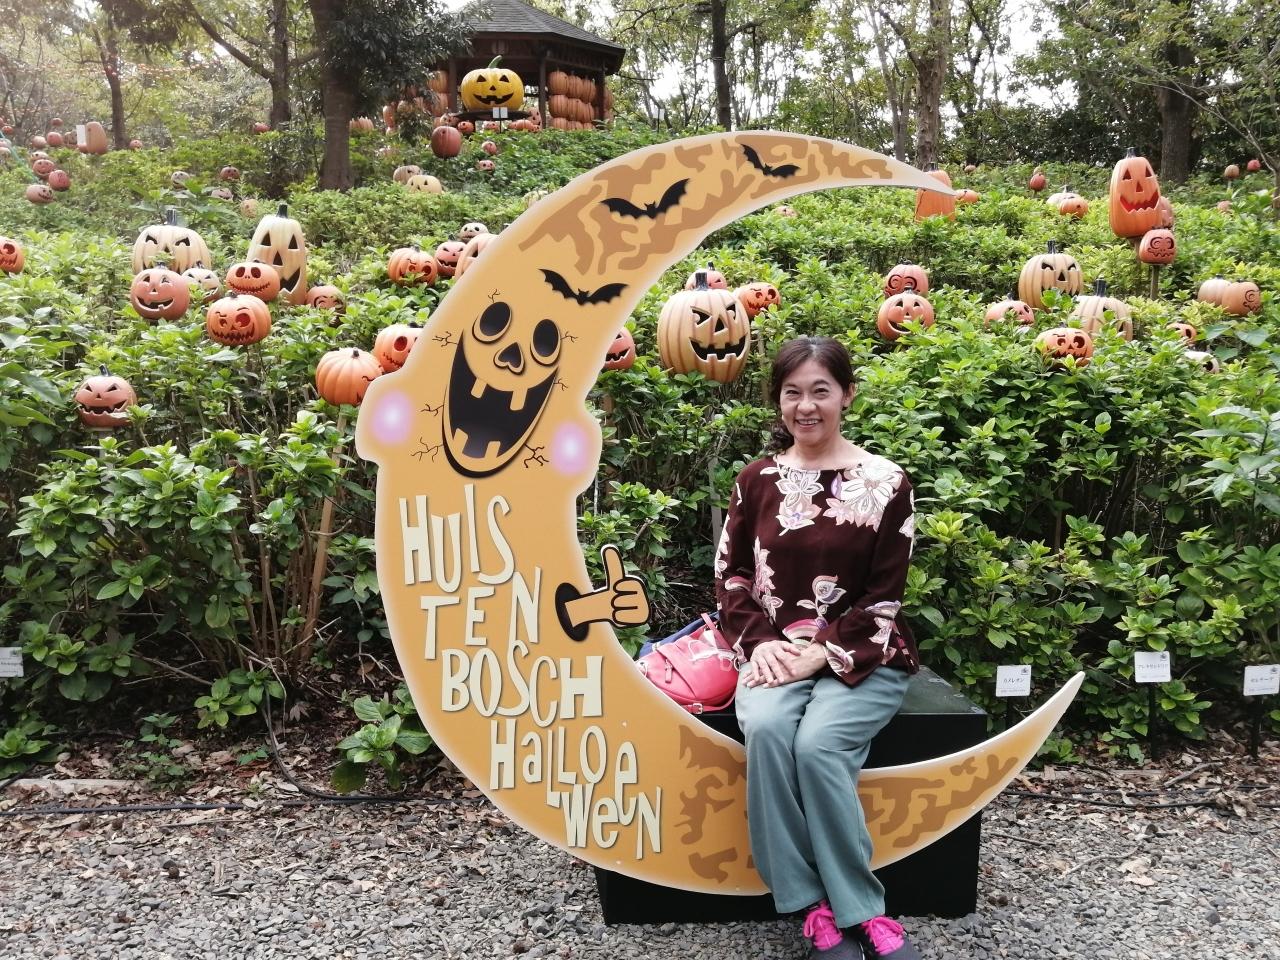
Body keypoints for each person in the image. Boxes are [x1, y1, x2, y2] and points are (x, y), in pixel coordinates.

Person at [714, 336, 922, 960]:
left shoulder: (886, 483)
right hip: (773, 652)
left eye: (820, 391)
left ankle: (862, 908)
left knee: (819, 745)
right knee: (768, 731)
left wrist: (821, 651)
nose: (806, 406)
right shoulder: (756, 481)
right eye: (793, 393)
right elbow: (731, 577)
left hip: (864, 653)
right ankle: (808, 904)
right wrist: (761, 644)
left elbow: (885, 596)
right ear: (779, 401)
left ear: (847, 395)